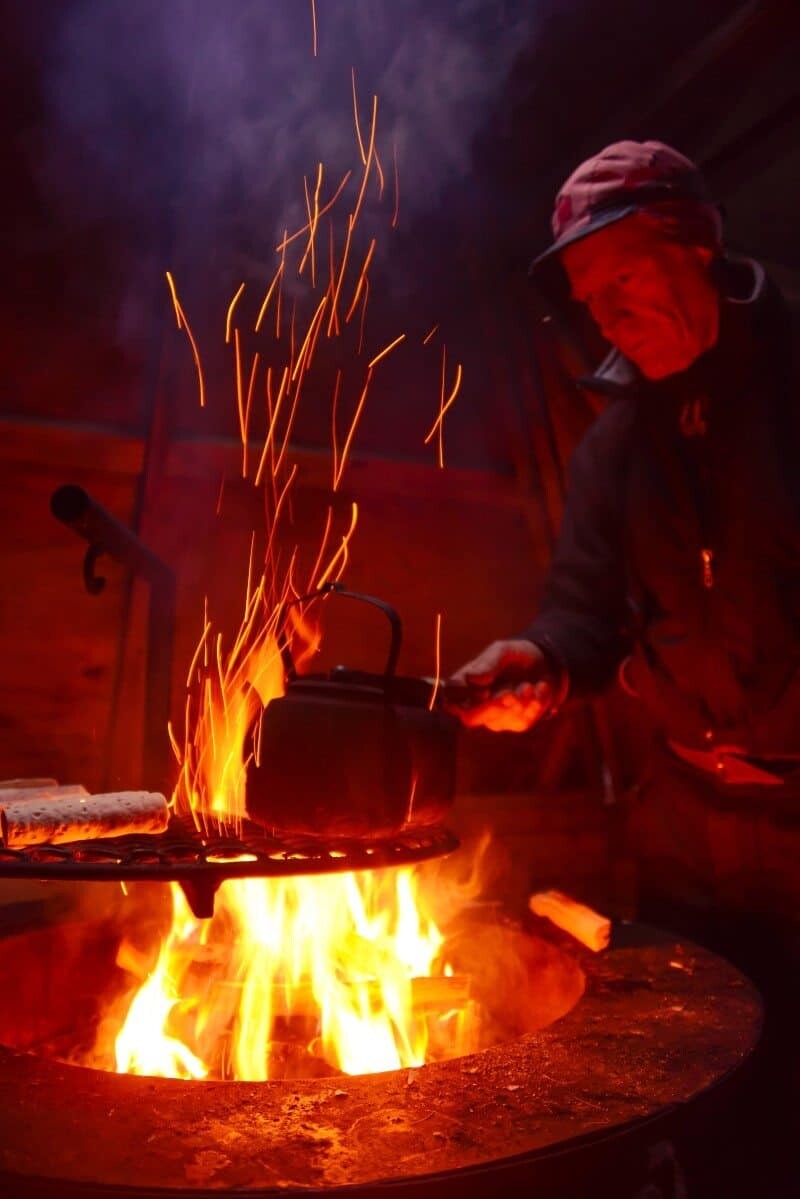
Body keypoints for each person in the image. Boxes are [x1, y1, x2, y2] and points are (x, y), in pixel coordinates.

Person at [449, 140, 799, 1193]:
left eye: (622, 279)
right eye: (585, 297)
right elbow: (582, 614)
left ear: (695, 241)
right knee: (706, 1096)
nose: (602, 315)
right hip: (684, 827)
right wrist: (538, 665)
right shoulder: (616, 444)